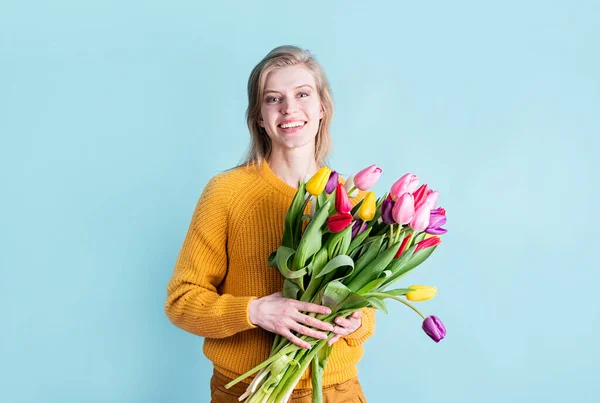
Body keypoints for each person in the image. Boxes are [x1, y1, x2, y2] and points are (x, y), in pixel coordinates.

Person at [164, 45, 374, 402]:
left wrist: (356, 322)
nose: (289, 108)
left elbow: (365, 304)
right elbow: (182, 301)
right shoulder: (226, 192)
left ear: (322, 108)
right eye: (273, 99)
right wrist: (255, 311)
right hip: (246, 391)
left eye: (302, 94)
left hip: (336, 392)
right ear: (259, 117)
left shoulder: (352, 198)